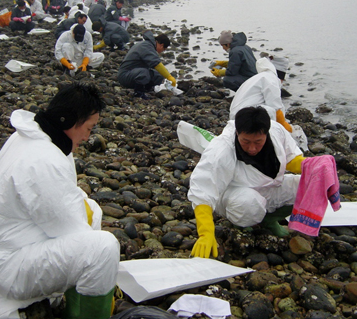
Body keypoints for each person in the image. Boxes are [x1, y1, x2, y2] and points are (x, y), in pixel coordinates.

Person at [0, 83, 119, 319]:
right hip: (11, 269)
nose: (87, 137)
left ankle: (79, 294)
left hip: (12, 248)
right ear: (67, 120)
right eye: (89, 128)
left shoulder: (35, 138)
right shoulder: (43, 161)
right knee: (103, 249)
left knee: (91, 210)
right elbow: (69, 228)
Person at [188, 107, 306, 260]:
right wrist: (206, 233)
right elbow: (203, 190)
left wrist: (313, 167)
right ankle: (241, 223)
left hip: (268, 188)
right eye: (245, 141)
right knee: (247, 205)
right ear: (237, 133)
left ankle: (269, 221)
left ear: (266, 133)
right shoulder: (221, 149)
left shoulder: (276, 130)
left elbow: (291, 158)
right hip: (236, 196)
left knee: (310, 184)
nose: (252, 148)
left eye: (258, 142)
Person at [229, 58, 293, 133]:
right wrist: (286, 128)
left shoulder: (259, 77)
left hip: (237, 117)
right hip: (245, 119)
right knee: (271, 111)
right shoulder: (271, 79)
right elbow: (275, 107)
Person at [117, 31, 176, 99]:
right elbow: (156, 64)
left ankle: (147, 89)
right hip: (125, 76)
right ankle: (139, 93)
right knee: (144, 73)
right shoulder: (146, 46)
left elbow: (155, 66)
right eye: (164, 49)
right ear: (161, 45)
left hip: (134, 72)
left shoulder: (149, 45)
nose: (163, 51)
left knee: (158, 75)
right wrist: (169, 77)